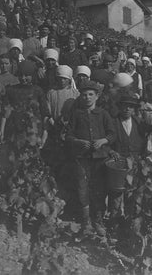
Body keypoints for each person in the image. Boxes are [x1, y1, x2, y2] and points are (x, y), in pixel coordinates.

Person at [65, 80, 115, 236]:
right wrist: (78, 142)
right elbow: (68, 136)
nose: (87, 98)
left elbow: (112, 134)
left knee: (99, 188)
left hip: (100, 158)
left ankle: (98, 220)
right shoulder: (77, 114)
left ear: (97, 96)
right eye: (84, 95)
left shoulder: (103, 114)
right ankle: (86, 221)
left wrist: (103, 141)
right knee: (82, 187)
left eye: (91, 95)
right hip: (82, 158)